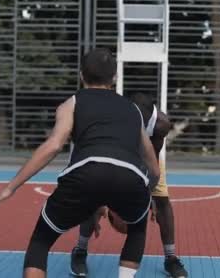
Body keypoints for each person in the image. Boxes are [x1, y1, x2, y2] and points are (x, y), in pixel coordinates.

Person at [0, 49, 160, 278]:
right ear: (115, 78)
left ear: (81, 75)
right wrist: (145, 197)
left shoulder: (72, 103)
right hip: (130, 176)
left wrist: (10, 187)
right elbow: (153, 167)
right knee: (137, 227)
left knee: (41, 241)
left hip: (85, 173)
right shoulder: (133, 110)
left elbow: (53, 145)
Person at [70, 93, 189, 278]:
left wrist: (148, 196)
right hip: (116, 151)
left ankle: (171, 257)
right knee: (93, 195)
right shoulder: (111, 119)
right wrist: (103, 201)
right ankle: (80, 250)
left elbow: (153, 165)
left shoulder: (160, 125)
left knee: (162, 200)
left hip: (146, 157)